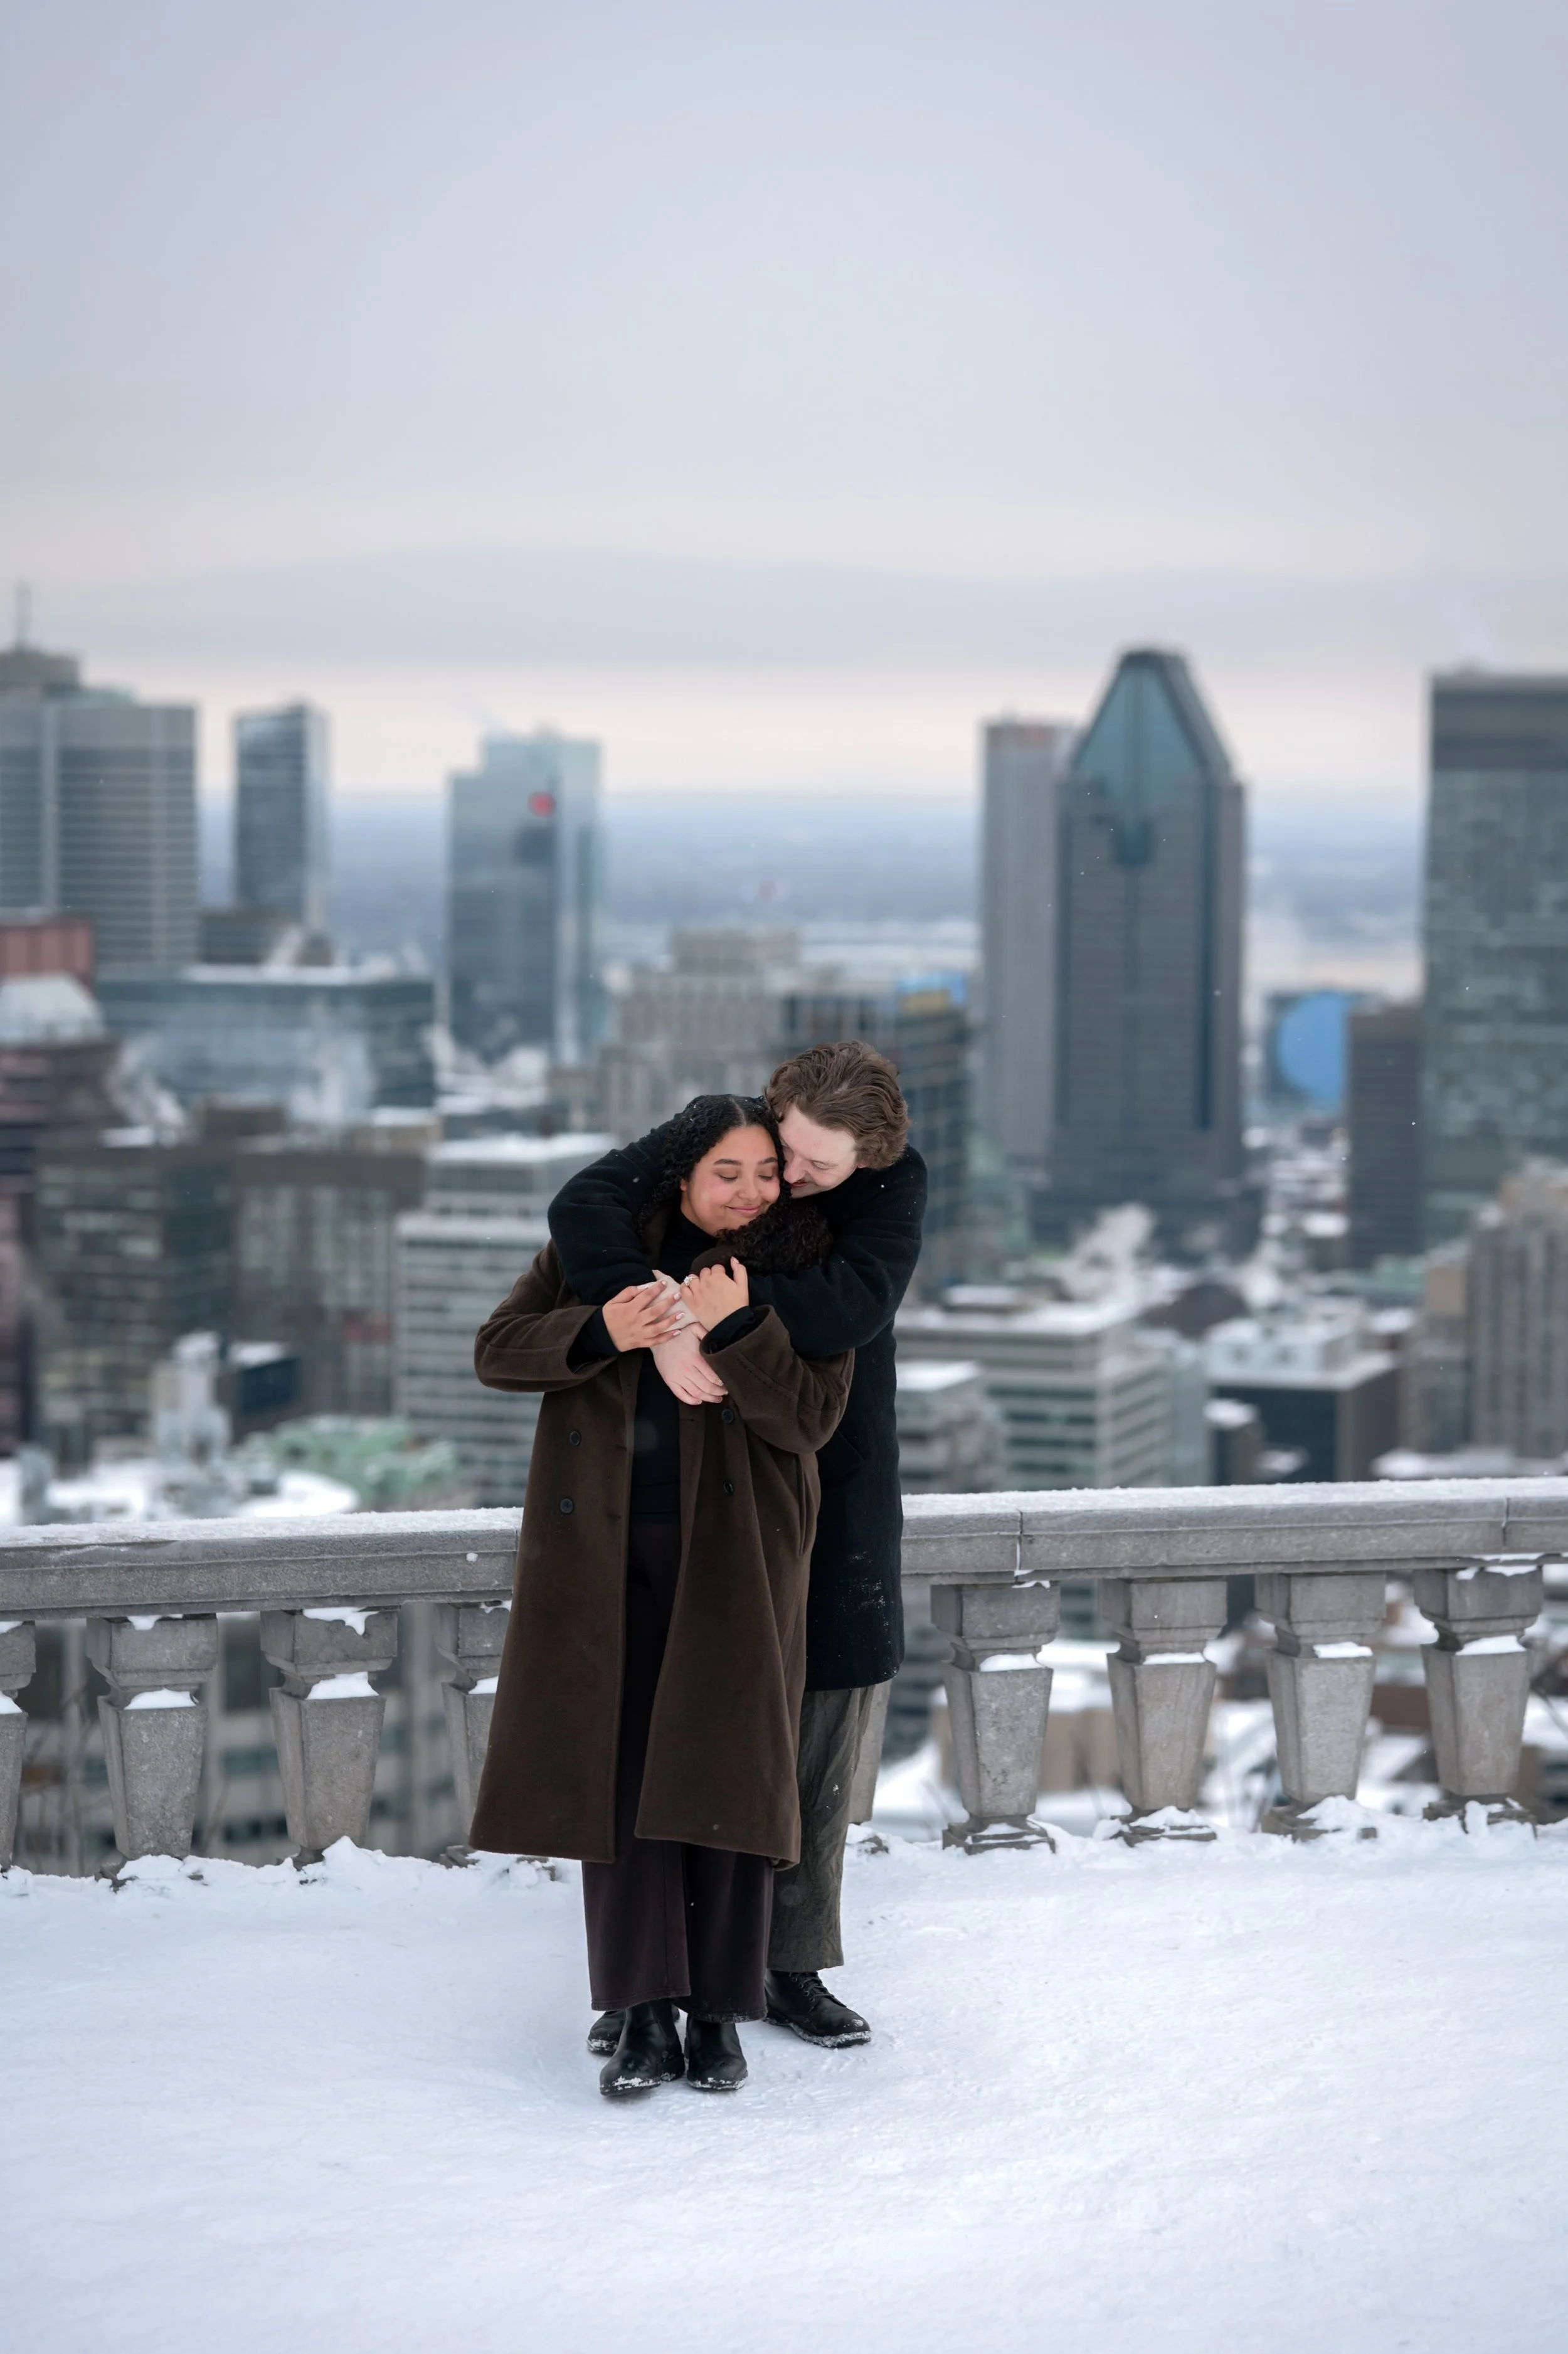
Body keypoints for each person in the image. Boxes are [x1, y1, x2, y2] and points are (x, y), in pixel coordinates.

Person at [468, 1095, 852, 2099]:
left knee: (728, 1775)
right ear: (682, 1173)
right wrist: (603, 1326)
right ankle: (640, 2010)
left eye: (767, 1172)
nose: (752, 1192)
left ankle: (717, 2014)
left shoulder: (803, 1263)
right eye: (728, 1171)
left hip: (742, 1561)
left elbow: (811, 1419)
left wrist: (742, 1330)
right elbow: (496, 1350)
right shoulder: (601, 1253)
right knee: (625, 1782)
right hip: (601, 1561)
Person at [548, 1039, 926, 2054]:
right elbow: (581, 1208)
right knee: (692, 1726)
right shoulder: (723, 1137)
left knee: (826, 1720)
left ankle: (791, 1962)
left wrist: (726, 1304)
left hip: (837, 1473)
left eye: (813, 1171)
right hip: (711, 1486)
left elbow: (854, 1307)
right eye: (782, 1153)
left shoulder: (891, 1182)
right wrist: (667, 1322)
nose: (787, 1181)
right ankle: (666, 1977)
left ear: (871, 1161)